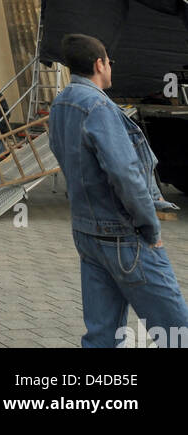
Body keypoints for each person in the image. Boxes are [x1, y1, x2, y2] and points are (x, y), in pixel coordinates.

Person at [49, 32, 188, 348]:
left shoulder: (60, 105)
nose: (111, 67)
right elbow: (125, 174)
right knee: (176, 331)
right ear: (99, 64)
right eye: (109, 62)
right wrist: (150, 228)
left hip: (87, 233)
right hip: (124, 236)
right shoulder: (98, 107)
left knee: (102, 336)